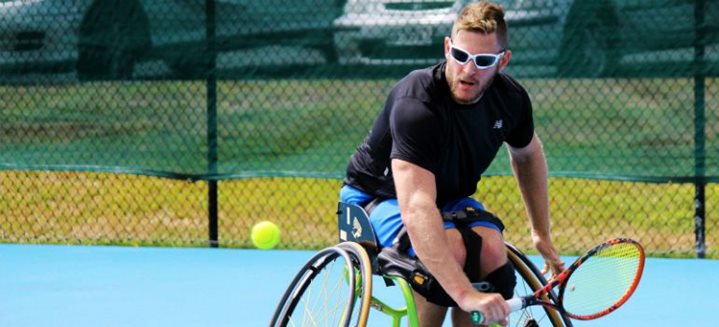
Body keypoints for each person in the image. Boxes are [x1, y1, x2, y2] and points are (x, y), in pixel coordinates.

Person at [339, 1, 565, 326]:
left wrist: (540, 233)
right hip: (374, 198)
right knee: (451, 250)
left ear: (503, 61)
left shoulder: (511, 99)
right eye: (461, 56)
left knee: (492, 254)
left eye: (483, 61)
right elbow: (416, 207)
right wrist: (465, 294)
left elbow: (527, 154)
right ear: (448, 48)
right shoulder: (417, 103)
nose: (469, 70)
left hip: (448, 198)